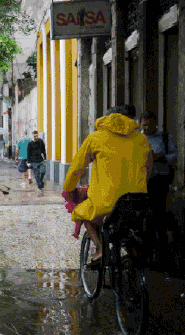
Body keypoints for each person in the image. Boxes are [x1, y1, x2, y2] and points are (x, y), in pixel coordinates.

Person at [62, 106, 152, 265]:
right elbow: (148, 169)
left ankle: (100, 249)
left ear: (106, 119)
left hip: (105, 205)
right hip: (137, 203)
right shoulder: (142, 140)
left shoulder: (95, 138)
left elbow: (76, 169)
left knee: (84, 213)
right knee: (130, 224)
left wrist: (69, 189)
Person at [139, 110, 178, 241]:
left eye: (149, 125)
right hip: (143, 180)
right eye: (144, 125)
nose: (146, 128)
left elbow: (175, 155)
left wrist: (161, 157)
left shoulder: (165, 138)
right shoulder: (138, 139)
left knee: (160, 210)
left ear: (155, 124)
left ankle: (162, 237)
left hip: (161, 179)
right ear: (140, 124)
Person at [27, 130, 47, 195]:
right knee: (36, 175)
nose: (35, 137)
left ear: (38, 135)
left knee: (43, 171)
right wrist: (28, 162)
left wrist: (45, 158)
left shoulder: (41, 141)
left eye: (36, 136)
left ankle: (41, 182)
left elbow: (43, 150)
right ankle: (39, 187)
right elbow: (28, 153)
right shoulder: (30, 143)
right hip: (33, 161)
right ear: (32, 136)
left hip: (40, 160)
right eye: (34, 136)